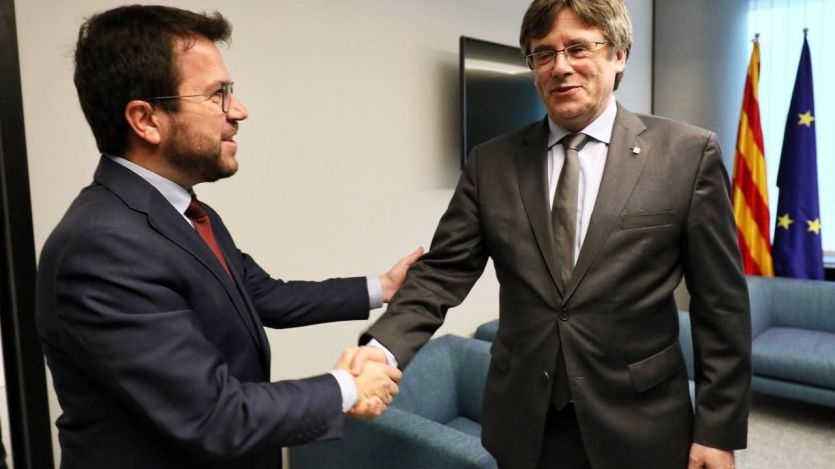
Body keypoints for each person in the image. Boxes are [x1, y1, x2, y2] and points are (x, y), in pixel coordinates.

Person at [352, 1, 751, 468]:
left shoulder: (687, 154)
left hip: (641, 421)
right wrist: (383, 350)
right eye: (544, 54)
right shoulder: (491, 163)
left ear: (619, 54)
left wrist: (716, 429)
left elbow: (720, 305)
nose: (560, 67)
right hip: (526, 422)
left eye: (578, 48)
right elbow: (441, 274)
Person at [35, 5, 420, 468]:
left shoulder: (190, 212)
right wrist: (346, 387)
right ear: (146, 119)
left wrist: (383, 287)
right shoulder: (100, 248)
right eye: (217, 95)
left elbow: (265, 296)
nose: (238, 111)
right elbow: (215, 415)